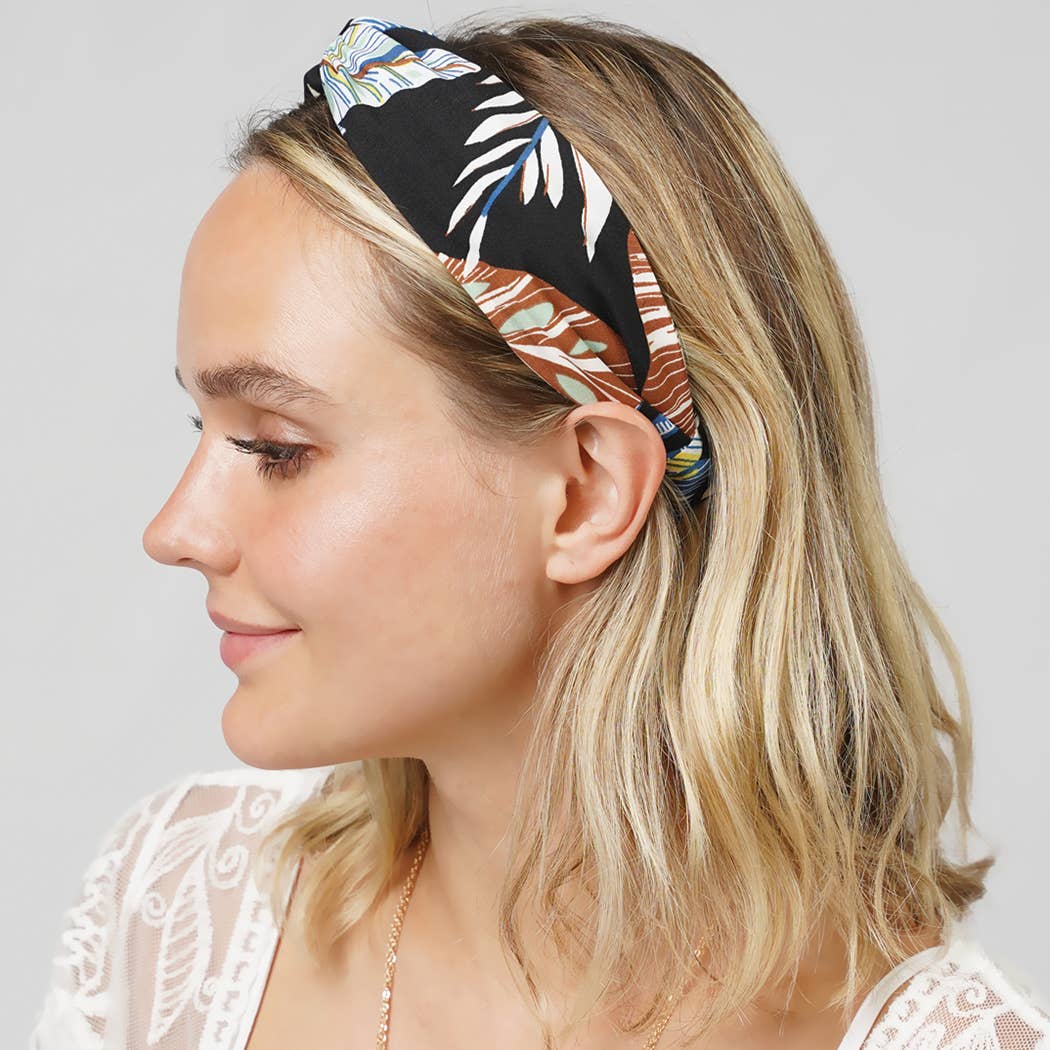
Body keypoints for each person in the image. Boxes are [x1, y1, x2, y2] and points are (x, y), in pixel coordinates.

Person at [29, 13, 1050, 1050]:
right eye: (202, 430)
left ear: (587, 493)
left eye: (277, 447)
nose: (175, 530)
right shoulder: (178, 916)